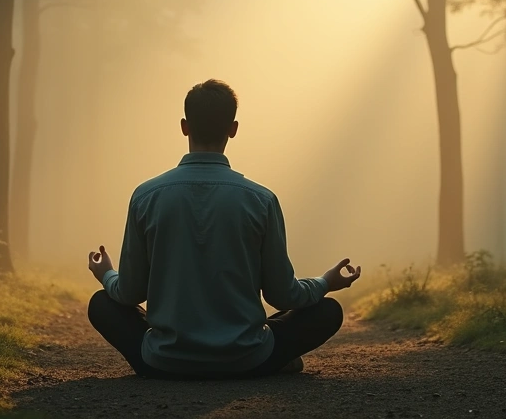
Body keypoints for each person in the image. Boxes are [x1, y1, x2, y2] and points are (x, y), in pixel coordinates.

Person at [85, 79, 361, 379]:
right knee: (327, 311)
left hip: (164, 360)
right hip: (246, 357)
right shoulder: (261, 200)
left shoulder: (146, 196)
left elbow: (128, 293)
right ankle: (270, 360)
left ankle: (171, 362)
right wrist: (324, 282)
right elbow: (283, 296)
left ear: (184, 126)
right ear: (233, 129)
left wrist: (106, 275)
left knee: (102, 304)